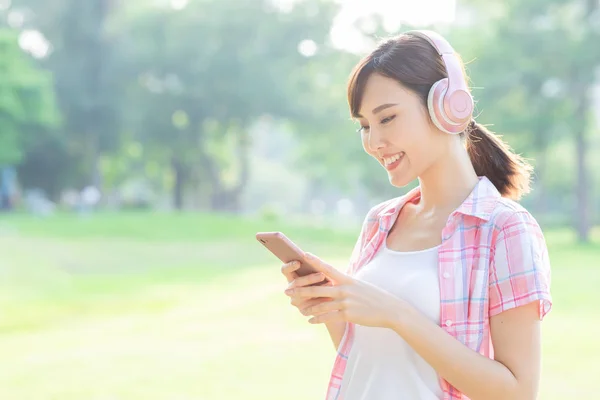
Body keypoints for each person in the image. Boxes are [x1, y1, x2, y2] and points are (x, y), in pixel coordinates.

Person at [281, 30, 552, 400]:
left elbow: (517, 393)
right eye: (364, 125)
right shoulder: (381, 222)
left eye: (387, 118)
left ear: (447, 107)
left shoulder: (504, 228)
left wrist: (398, 314)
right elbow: (369, 359)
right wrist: (332, 305)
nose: (373, 142)